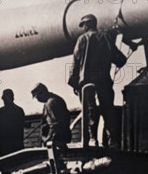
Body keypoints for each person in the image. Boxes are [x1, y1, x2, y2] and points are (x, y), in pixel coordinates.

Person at [68, 14, 127, 147]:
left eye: (83, 25)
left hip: (87, 82)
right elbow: (119, 59)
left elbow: (75, 62)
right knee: (108, 109)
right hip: (104, 81)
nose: (82, 28)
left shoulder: (82, 39)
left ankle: (92, 139)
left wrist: (74, 83)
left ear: (87, 25)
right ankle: (113, 140)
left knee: (89, 110)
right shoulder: (106, 37)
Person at [31, 83, 71, 149]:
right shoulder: (53, 100)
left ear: (42, 93)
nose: (37, 100)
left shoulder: (51, 103)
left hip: (56, 141)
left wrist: (48, 139)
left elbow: (55, 125)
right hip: (58, 139)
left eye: (37, 97)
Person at [0, 89, 25, 156]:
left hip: (5, 146)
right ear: (13, 98)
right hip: (18, 145)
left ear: (3, 98)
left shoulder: (0, 112)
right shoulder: (20, 110)